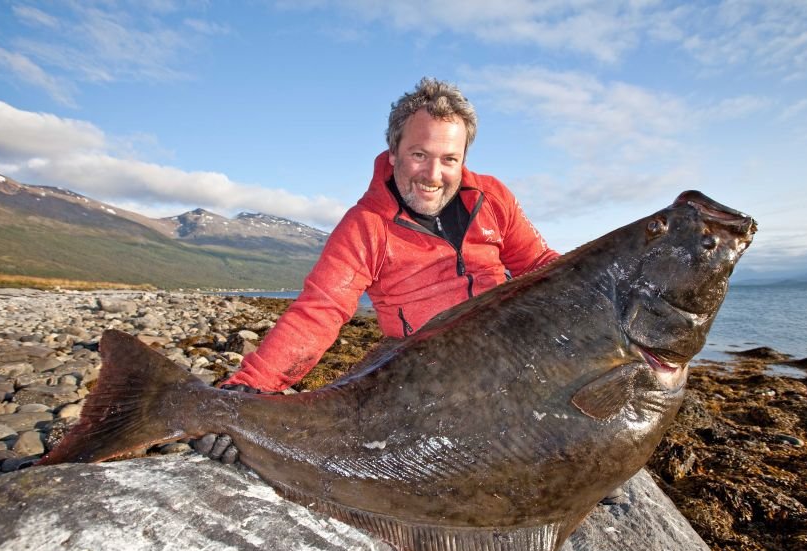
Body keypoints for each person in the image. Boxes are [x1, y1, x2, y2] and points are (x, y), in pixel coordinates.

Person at [196, 77, 560, 464]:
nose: (433, 174)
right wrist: (247, 388)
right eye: (419, 154)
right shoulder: (365, 225)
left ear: (463, 159)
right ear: (393, 151)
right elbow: (320, 310)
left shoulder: (493, 198)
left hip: (509, 362)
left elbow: (541, 265)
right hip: (422, 384)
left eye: (449, 159)